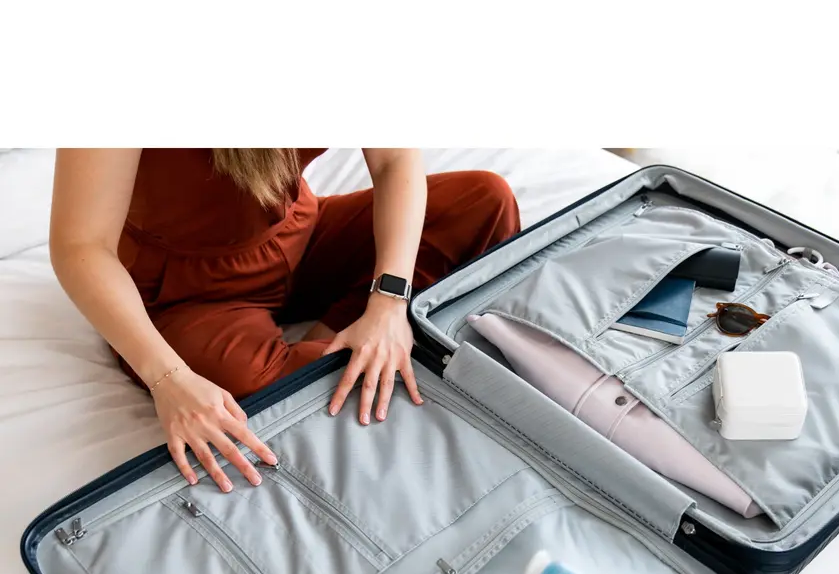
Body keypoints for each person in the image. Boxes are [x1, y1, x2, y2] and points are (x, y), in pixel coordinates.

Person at [49, 148, 520, 492]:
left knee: (484, 201)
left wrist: (387, 303)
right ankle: (341, 351)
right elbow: (81, 246)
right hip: (188, 296)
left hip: (298, 234)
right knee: (248, 397)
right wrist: (168, 378)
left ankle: (335, 336)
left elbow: (394, 160)